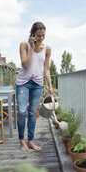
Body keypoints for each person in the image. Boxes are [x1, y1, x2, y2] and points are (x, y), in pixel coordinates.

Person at [16, 22, 53, 151]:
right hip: (23, 83)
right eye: (38, 35)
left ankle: (30, 141)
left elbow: (46, 69)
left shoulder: (47, 49)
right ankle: (22, 141)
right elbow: (25, 64)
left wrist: (51, 87)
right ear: (32, 34)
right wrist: (32, 47)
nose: (41, 38)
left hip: (38, 84)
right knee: (21, 112)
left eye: (43, 35)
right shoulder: (24, 45)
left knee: (32, 113)